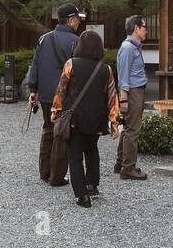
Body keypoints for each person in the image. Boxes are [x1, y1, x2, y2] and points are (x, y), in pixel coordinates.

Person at [51, 30, 120, 208]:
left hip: (76, 118)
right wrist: (114, 122)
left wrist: (55, 109)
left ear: (80, 46)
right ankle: (92, 185)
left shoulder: (71, 64)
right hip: (97, 119)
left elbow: (61, 89)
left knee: (75, 155)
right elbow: (112, 97)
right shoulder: (106, 69)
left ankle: (82, 195)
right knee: (91, 149)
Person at [25, 3, 83, 186]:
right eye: (78, 19)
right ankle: (57, 177)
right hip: (65, 96)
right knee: (62, 133)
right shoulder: (75, 41)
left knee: (48, 129)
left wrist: (33, 90)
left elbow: (35, 66)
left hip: (45, 95)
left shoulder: (44, 39)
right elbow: (78, 71)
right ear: (71, 20)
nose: (79, 22)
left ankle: (44, 171)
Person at [114, 14, 150, 180]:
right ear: (136, 28)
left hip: (136, 90)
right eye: (144, 27)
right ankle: (128, 167)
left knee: (128, 127)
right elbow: (123, 76)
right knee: (133, 129)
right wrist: (124, 99)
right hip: (133, 91)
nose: (146, 31)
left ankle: (121, 163)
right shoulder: (128, 48)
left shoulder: (133, 46)